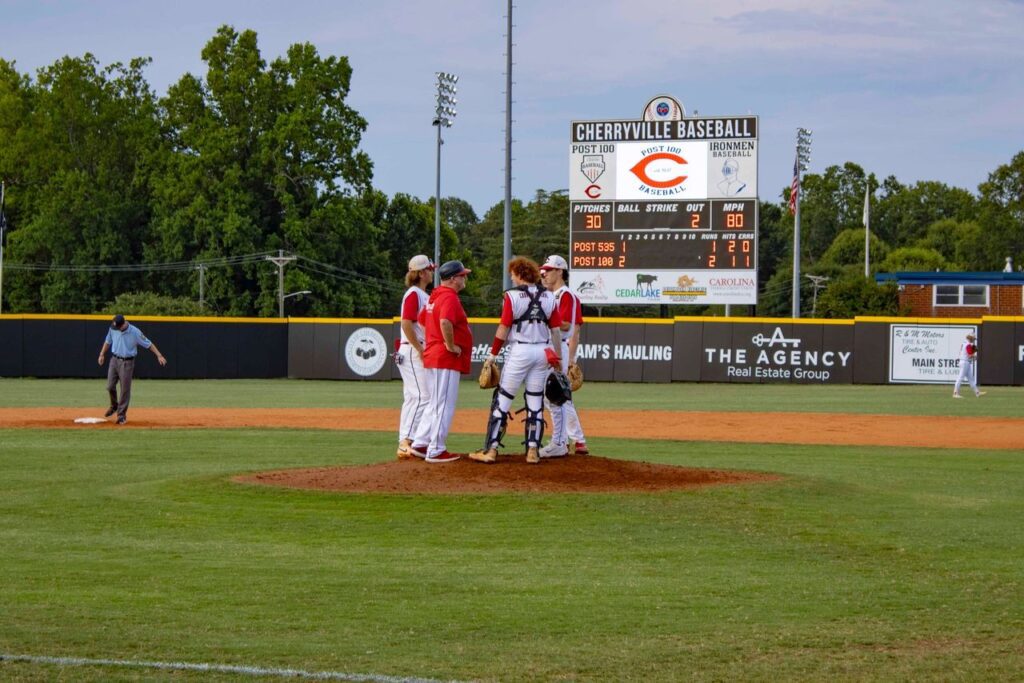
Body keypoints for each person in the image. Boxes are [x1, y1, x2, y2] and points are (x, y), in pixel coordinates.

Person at [470, 257, 562, 465]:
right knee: (535, 400)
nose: (511, 278)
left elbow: (503, 328)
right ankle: (532, 451)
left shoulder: (511, 296)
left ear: (520, 274)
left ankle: (491, 450)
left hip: (520, 351)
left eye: (512, 274)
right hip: (542, 351)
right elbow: (555, 330)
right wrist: (558, 358)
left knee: (503, 399)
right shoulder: (549, 296)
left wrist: (493, 354)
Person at [416, 260, 473, 463]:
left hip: (434, 354)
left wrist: (434, 339)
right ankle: (436, 449)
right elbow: (445, 322)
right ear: (452, 279)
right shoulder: (448, 296)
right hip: (445, 357)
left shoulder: (435, 295)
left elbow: (423, 320)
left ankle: (421, 443)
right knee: (443, 404)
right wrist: (448, 345)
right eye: (462, 275)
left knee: (435, 403)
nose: (464, 277)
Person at [538, 255, 588, 457]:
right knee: (551, 397)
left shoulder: (566, 295)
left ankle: (575, 440)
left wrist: (572, 360)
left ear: (560, 271)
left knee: (559, 396)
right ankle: (567, 440)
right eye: (544, 270)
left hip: (560, 348)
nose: (545, 274)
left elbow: (569, 326)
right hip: (549, 347)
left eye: (549, 270)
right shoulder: (549, 295)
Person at [395, 255, 435, 460]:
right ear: (420, 273)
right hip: (412, 350)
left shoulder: (423, 295)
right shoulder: (414, 294)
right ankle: (406, 442)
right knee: (422, 396)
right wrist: (419, 349)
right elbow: (406, 323)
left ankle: (411, 441)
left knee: (414, 397)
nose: (432, 272)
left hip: (414, 349)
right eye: (429, 269)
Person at [98, 314, 167, 424]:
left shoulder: (134, 332)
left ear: (123, 324)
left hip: (127, 362)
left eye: (118, 327)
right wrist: (102, 354)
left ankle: (121, 416)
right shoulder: (113, 328)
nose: (117, 328)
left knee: (125, 390)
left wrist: (159, 355)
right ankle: (114, 405)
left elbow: (148, 344)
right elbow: (108, 341)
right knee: (110, 386)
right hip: (114, 360)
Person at [953, 332, 986, 398]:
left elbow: (967, 353)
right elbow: (970, 355)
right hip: (965, 362)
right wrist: (975, 355)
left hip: (965, 362)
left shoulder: (964, 343)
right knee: (960, 377)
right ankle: (955, 393)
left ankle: (977, 392)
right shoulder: (968, 345)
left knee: (971, 379)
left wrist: (973, 353)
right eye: (973, 338)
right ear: (970, 338)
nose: (974, 339)